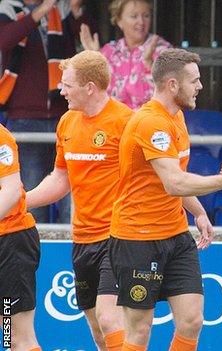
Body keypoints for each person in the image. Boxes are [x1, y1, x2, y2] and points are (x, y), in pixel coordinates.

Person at [109, 48, 222, 351]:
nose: (200, 86)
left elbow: (175, 178)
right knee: (139, 329)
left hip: (175, 235)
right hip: (137, 239)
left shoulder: (177, 116)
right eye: (194, 81)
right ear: (172, 85)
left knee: (192, 320)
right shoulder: (150, 122)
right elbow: (174, 183)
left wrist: (198, 213)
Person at [26, 50, 131, 351]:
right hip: (82, 239)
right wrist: (21, 201)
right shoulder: (67, 122)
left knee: (110, 319)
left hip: (118, 236)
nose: (61, 90)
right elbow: (61, 179)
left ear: (90, 87)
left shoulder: (126, 123)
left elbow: (153, 176)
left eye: (67, 84)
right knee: (99, 330)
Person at [0, 0, 93, 223]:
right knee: (32, 191)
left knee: (71, 191)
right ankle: (35, 249)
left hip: (66, 113)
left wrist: (76, 10)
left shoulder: (61, 7)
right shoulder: (8, 6)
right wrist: (42, 10)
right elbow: (4, 40)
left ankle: (70, 251)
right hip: (25, 117)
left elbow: (87, 40)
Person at [80, 0, 171, 109]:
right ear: (119, 21)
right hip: (114, 122)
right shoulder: (109, 52)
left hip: (150, 122)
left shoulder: (163, 50)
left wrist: (150, 65)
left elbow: (173, 93)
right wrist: (93, 62)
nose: (141, 22)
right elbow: (94, 96)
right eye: (134, 16)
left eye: (146, 16)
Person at [0, 123, 40, 350]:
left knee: (17, 337)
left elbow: (12, 190)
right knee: (7, 336)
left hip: (10, 242)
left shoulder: (0, 138)